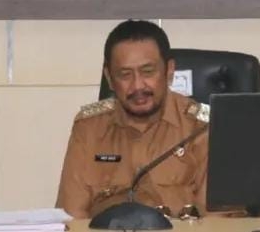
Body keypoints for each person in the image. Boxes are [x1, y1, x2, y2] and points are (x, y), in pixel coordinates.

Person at [56, 20, 210, 219]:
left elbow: (218, 223)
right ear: (109, 78)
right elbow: (72, 219)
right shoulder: (89, 129)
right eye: (125, 75)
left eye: (147, 72)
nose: (137, 86)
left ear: (169, 70)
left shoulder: (203, 129)